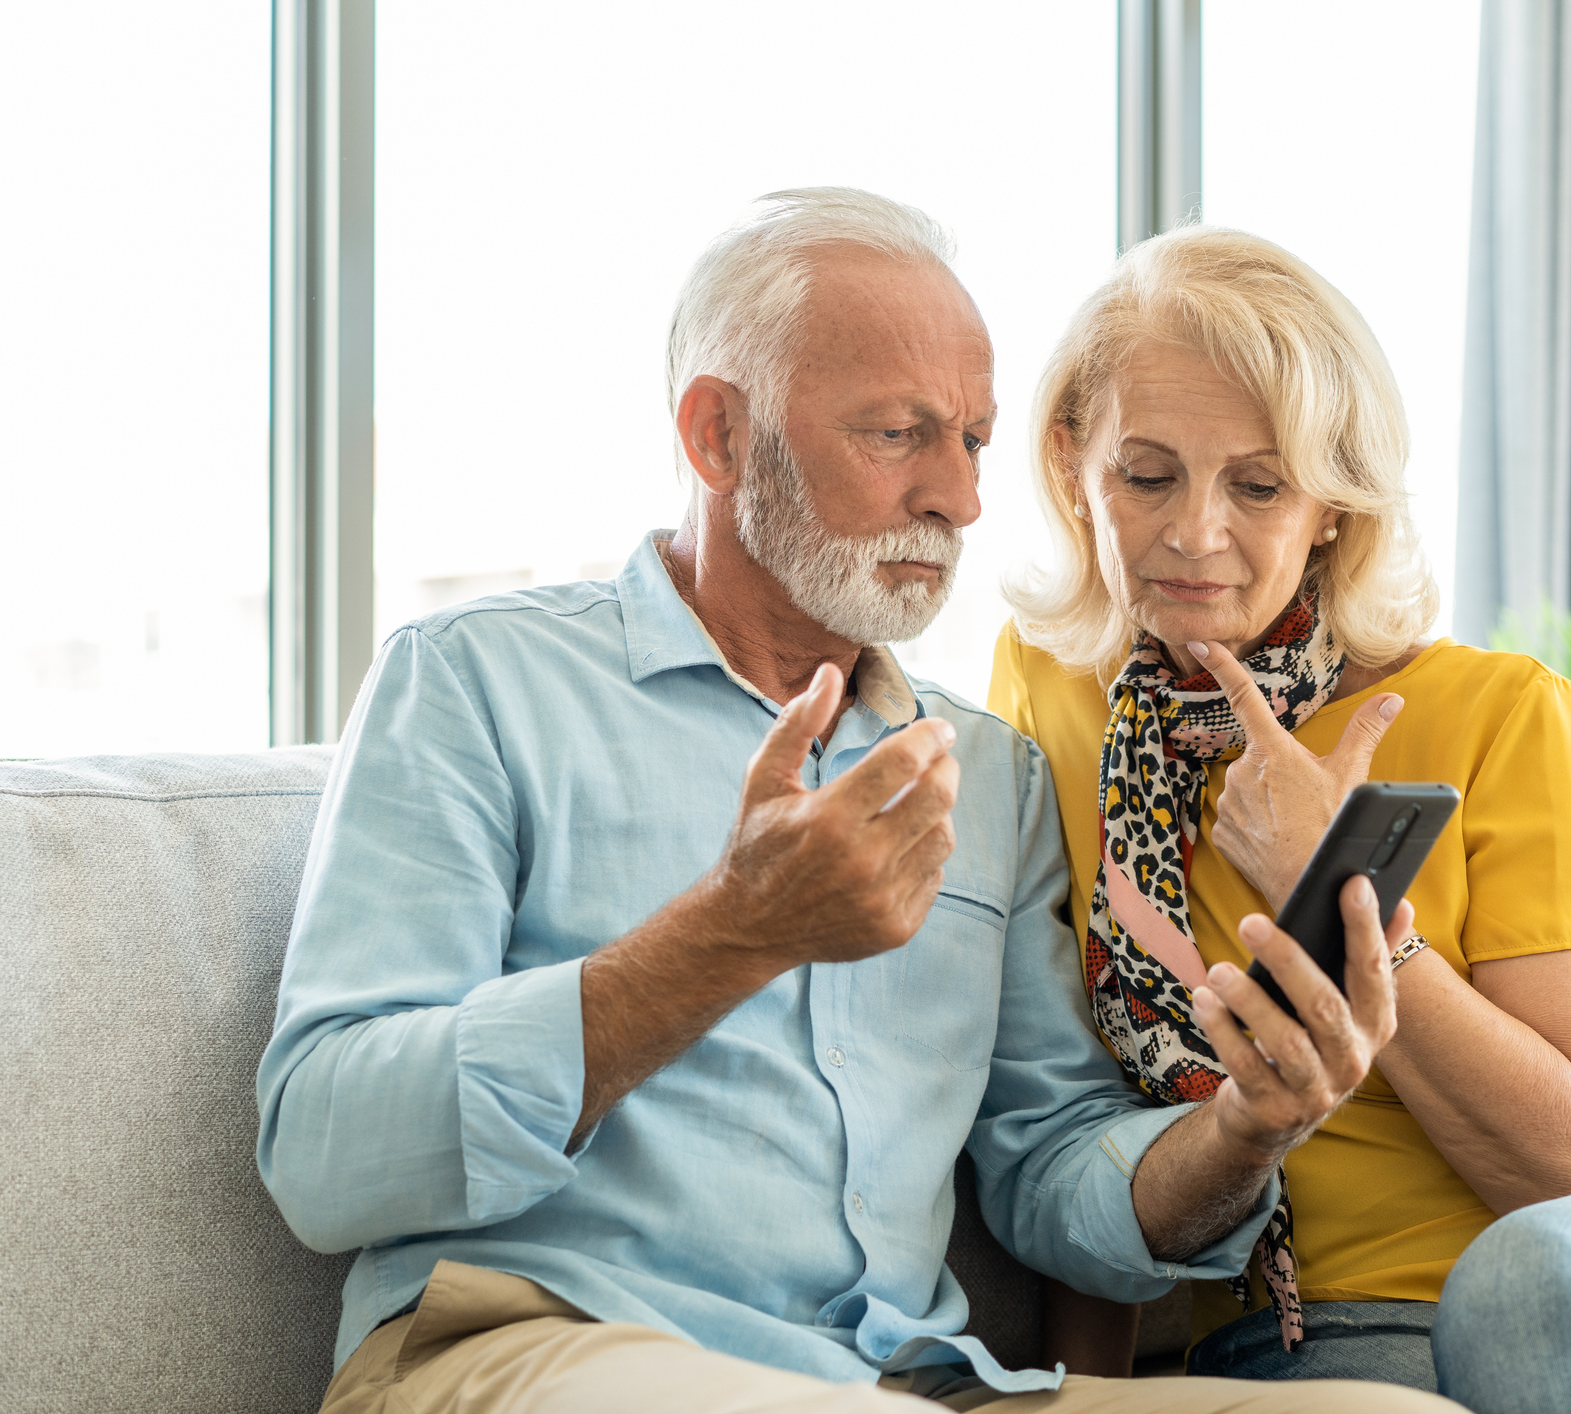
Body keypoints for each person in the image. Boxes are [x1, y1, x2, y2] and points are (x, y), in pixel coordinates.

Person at [256, 189, 1463, 1414]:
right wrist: (731, 936)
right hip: (540, 1350)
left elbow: (1052, 1172)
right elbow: (325, 1148)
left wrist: (1244, 1128)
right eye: (899, 434)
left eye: (976, 442)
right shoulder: (476, 683)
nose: (960, 497)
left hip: (907, 1385)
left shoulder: (987, 772)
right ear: (719, 437)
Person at [987, 226, 1571, 1414]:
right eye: (1149, 475)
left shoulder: (1498, 710)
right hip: (1320, 1332)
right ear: (1069, 460)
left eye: (1259, 484)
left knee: (1525, 1291)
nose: (1197, 532)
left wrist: (1344, 892)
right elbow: (1081, 1104)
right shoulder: (1051, 693)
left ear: (1336, 509)